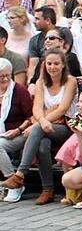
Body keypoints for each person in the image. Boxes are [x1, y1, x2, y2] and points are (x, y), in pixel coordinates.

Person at [1, 49, 77, 205]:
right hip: (46, 126)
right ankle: (47, 190)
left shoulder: (70, 81)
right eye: (49, 63)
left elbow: (62, 109)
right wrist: (43, 121)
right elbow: (36, 108)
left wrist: (41, 122)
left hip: (64, 126)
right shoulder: (41, 82)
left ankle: (20, 174)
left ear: (63, 65)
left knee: (37, 129)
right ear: (44, 65)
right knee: (42, 146)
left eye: (56, 63)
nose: (52, 67)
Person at [0, 59, 36, 202]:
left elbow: (30, 117)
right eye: (1, 76)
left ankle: (14, 183)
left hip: (19, 132)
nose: (5, 79)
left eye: (7, 75)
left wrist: (18, 129)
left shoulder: (19, 91)